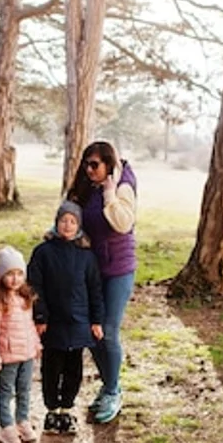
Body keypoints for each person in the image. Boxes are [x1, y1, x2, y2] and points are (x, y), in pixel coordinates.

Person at [66, 140, 137, 424]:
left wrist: (109, 195)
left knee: (107, 330)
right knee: (91, 331)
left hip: (119, 269)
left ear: (109, 164)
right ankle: (110, 386)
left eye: (95, 164)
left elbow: (124, 224)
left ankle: (112, 389)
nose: (89, 169)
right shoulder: (85, 187)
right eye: (86, 164)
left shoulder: (122, 186)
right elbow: (72, 217)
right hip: (92, 270)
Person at [28, 201, 104, 434]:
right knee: (51, 368)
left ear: (79, 225)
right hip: (53, 323)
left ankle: (67, 411)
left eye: (72, 221)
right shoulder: (43, 252)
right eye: (63, 221)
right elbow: (35, 286)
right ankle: (51, 411)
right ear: (56, 222)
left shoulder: (86, 256)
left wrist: (96, 320)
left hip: (79, 323)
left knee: (74, 369)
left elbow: (95, 289)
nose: (67, 225)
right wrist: (40, 317)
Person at [0, 246, 42, 443]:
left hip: (26, 354)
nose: (15, 279)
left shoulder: (25, 298)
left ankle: (22, 421)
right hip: (7, 356)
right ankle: (6, 426)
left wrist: (36, 345)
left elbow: (29, 326)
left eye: (19, 274)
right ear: (1, 276)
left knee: (24, 389)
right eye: (10, 274)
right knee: (6, 391)